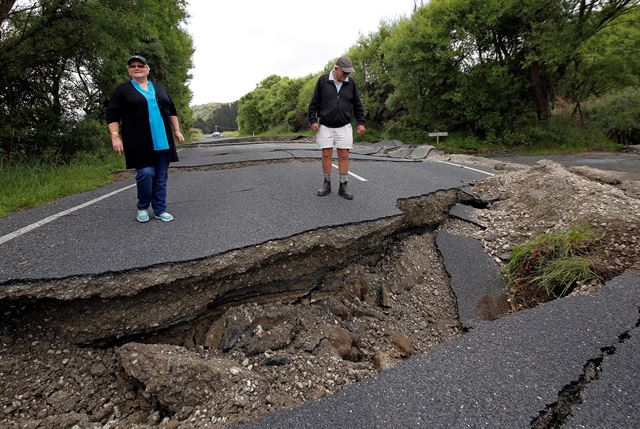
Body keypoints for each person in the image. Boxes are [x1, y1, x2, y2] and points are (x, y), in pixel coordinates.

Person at [106, 55, 184, 223]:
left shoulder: (159, 88)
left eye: (140, 65)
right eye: (133, 66)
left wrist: (177, 130)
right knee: (146, 173)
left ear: (147, 69)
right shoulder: (122, 90)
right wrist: (115, 137)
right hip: (137, 141)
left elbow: (172, 110)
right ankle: (142, 207)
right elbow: (112, 114)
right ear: (129, 70)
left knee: (161, 176)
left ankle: (160, 209)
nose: (137, 68)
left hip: (163, 140)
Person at [308, 56, 365, 200]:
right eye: (344, 72)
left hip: (344, 125)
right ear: (336, 68)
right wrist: (312, 120)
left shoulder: (351, 84)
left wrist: (361, 122)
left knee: (344, 154)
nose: (346, 75)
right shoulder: (323, 81)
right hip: (325, 125)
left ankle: (343, 185)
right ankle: (326, 183)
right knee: (326, 153)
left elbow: (357, 104)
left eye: (348, 73)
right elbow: (313, 103)